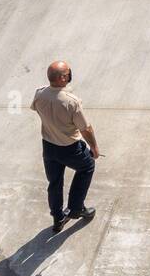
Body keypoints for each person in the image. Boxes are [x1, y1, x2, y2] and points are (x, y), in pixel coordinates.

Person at [30, 60, 99, 234]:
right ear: (62, 78)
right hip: (69, 147)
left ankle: (58, 217)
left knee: (54, 182)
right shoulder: (71, 102)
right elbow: (86, 128)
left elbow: (37, 110)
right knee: (87, 166)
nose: (69, 75)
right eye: (68, 73)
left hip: (49, 147)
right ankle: (76, 208)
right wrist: (94, 147)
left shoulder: (40, 94)